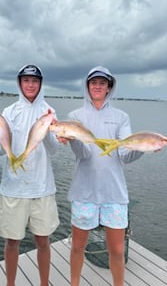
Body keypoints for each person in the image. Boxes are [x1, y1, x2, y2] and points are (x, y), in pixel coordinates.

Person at [61, 66, 144, 286]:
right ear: (87, 86)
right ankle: (74, 283)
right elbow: (84, 154)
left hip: (114, 193)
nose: (97, 86)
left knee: (117, 250)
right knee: (78, 246)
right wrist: (74, 139)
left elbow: (125, 155)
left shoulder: (121, 117)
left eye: (102, 83)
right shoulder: (75, 116)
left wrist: (143, 146)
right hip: (83, 191)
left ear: (109, 88)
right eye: (93, 82)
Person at [0, 64, 60, 286]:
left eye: (35, 81)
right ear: (19, 83)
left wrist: (46, 129)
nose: (30, 84)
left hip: (42, 188)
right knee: (12, 242)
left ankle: (44, 283)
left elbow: (53, 150)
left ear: (40, 84)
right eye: (26, 80)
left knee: (44, 241)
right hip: (13, 188)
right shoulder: (9, 111)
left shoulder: (50, 111)